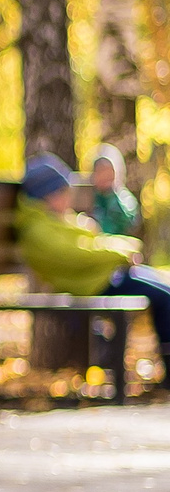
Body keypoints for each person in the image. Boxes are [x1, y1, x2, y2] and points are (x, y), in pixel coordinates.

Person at [17, 152, 169, 372]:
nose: (68, 198)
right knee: (165, 297)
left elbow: (93, 241)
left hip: (102, 277)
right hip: (92, 284)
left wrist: (123, 248)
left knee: (165, 288)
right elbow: (79, 254)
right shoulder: (38, 229)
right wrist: (121, 253)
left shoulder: (55, 220)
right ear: (47, 195)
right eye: (63, 193)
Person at [91, 144, 143, 243]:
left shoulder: (125, 201)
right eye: (100, 171)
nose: (104, 176)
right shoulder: (89, 197)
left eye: (107, 171)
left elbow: (130, 223)